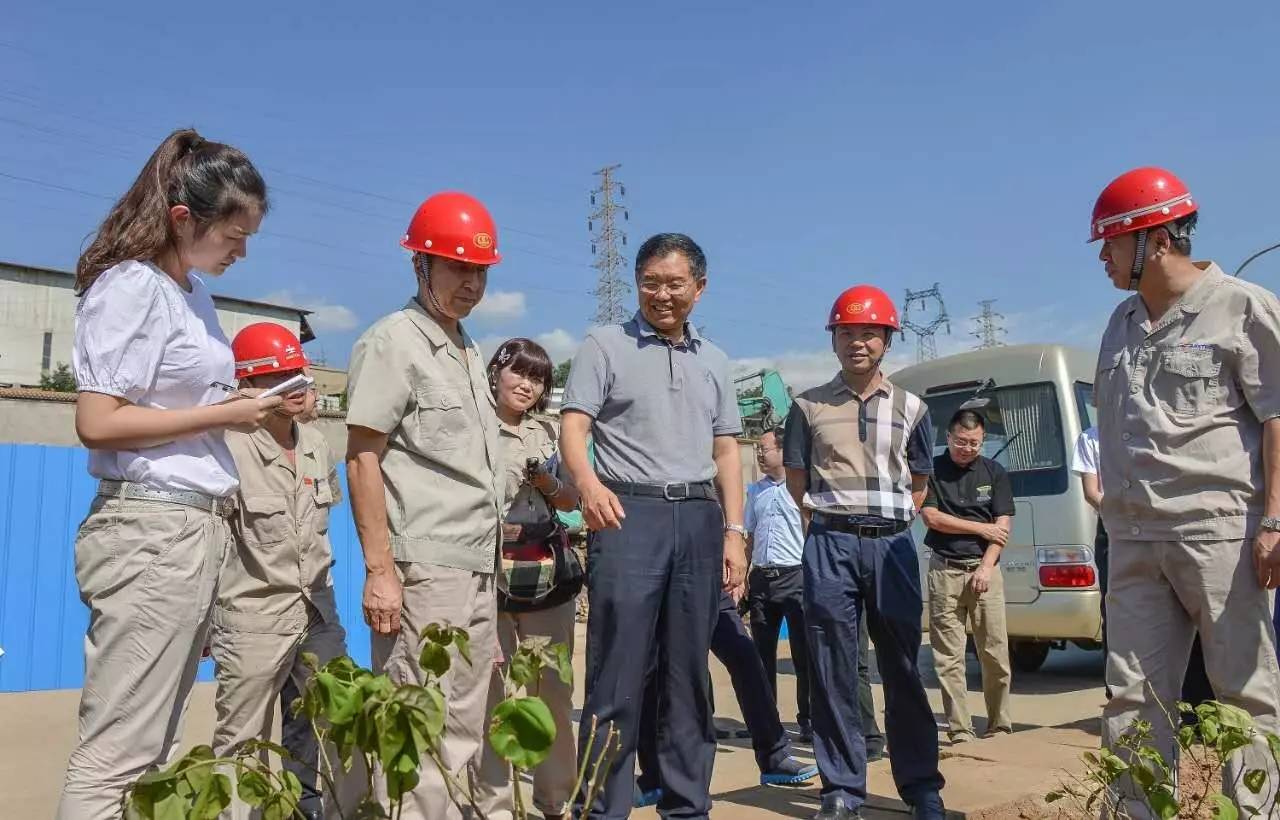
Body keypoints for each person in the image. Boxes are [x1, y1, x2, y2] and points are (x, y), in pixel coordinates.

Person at [56, 129, 279, 819]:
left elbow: (175, 402)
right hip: (151, 528)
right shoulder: (131, 287)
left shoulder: (190, 292)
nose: (241, 251)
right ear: (183, 218)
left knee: (152, 750)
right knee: (118, 754)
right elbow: (98, 420)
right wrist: (222, 416)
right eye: (233, 235)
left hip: (189, 530)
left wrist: (237, 407)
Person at [1090, 166, 1280, 817]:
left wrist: (1275, 521)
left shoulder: (1243, 307)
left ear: (1153, 239)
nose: (1103, 258)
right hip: (1134, 540)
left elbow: (1279, 416)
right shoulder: (1118, 323)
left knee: (1245, 695)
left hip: (1221, 535)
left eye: (1109, 243)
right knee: (1133, 700)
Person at [561, 233, 747, 818]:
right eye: (650, 282)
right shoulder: (604, 345)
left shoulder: (715, 360)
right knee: (616, 671)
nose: (661, 294)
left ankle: (688, 804)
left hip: (697, 518)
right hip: (627, 516)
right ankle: (602, 806)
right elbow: (573, 426)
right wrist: (589, 486)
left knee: (687, 674)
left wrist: (734, 532)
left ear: (699, 287)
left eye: (674, 283)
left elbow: (726, 452)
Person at [344, 191, 504, 818]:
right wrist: (381, 572)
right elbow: (362, 458)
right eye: (457, 267)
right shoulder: (393, 341)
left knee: (462, 724)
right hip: (425, 568)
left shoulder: (468, 350)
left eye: (481, 271)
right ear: (421, 266)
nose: (471, 283)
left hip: (476, 565)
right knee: (416, 723)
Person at [783, 284, 946, 820]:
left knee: (901, 665)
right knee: (833, 669)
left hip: (893, 544)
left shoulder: (914, 407)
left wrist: (887, 519)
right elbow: (797, 482)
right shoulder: (806, 407)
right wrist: (840, 519)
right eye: (846, 332)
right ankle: (842, 789)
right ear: (833, 340)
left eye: (868, 332)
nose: (857, 342)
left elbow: (919, 481)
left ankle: (922, 786)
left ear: (887, 340)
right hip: (830, 542)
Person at [210, 323, 352, 820]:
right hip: (253, 614)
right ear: (248, 386)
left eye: (298, 373)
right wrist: (207, 620)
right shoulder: (227, 447)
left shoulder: (316, 443)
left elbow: (320, 527)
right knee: (242, 736)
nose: (296, 385)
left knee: (321, 725)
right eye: (280, 376)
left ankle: (304, 811)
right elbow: (215, 542)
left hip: (317, 608)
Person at [475, 338, 582, 820]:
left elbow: (572, 500)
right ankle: (492, 803)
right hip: (486, 578)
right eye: (518, 373)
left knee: (553, 691)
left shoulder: (550, 432)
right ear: (495, 373)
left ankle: (554, 798)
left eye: (537, 377)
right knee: (489, 695)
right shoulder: (471, 428)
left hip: (545, 577)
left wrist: (546, 482)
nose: (526, 384)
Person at [747, 426, 886, 760]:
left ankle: (808, 719)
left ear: (782, 450)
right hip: (764, 579)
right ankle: (767, 724)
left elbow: (812, 530)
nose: (759, 454)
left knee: (804, 657)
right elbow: (750, 534)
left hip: (797, 576)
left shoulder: (805, 490)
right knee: (760, 658)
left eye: (763, 448)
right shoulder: (756, 492)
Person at [633, 586, 820, 807]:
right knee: (654, 669)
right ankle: (654, 775)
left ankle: (774, 756)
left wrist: (734, 555)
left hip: (705, 579)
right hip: (656, 579)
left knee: (744, 655)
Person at [920, 410, 1015, 743]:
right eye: (961, 441)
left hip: (985, 570)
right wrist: (980, 527)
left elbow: (1002, 527)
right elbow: (931, 517)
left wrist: (987, 566)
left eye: (974, 443)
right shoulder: (931, 470)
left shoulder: (995, 472)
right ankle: (960, 729)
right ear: (948, 437)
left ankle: (999, 725)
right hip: (945, 570)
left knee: (994, 653)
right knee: (949, 657)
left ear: (982, 441)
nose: (967, 448)